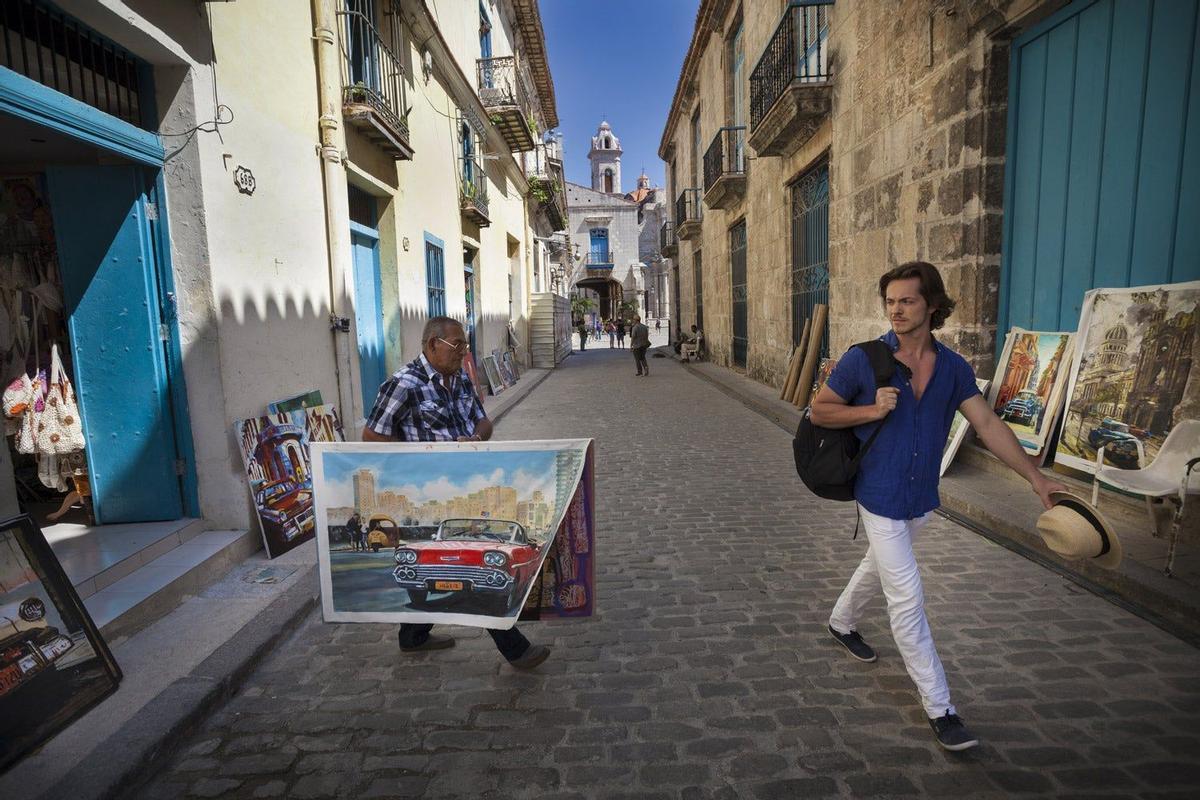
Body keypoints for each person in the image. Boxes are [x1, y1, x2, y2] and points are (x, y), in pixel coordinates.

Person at [811, 261, 1065, 752]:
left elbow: (987, 425)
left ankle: (841, 621)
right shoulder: (864, 359)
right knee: (906, 599)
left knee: (878, 567)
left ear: (931, 305)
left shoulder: (951, 368)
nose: (896, 310)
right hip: (879, 496)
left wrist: (1036, 478)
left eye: (907, 301)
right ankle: (940, 708)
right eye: (890, 301)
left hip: (922, 498)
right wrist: (871, 410)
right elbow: (821, 409)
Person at [363, 316, 551, 670]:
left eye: (464, 345)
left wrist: (475, 439)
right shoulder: (402, 385)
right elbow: (372, 439)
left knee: (461, 571)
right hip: (428, 495)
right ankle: (515, 649)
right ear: (431, 344)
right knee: (473, 579)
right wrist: (416, 465)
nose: (464, 352)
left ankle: (413, 636)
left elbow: (484, 421)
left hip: (469, 489)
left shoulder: (460, 379)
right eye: (457, 345)